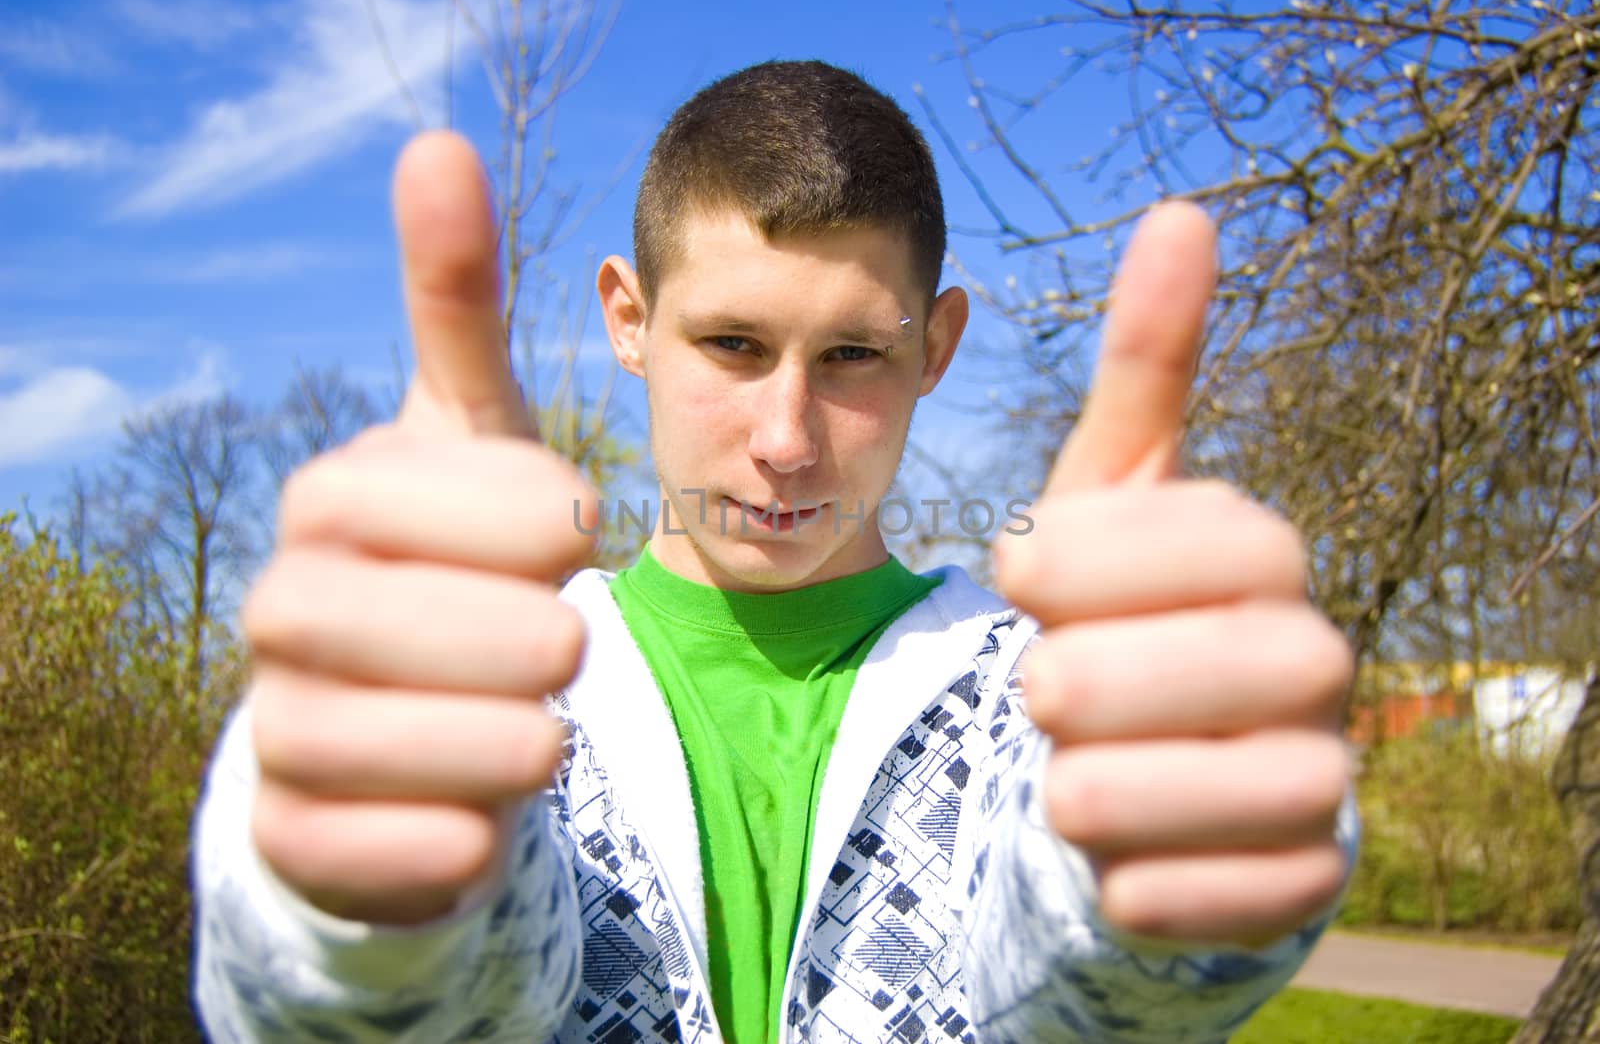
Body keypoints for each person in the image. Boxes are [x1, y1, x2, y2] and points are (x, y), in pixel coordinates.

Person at [192, 60, 1357, 1042]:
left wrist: (1151, 898)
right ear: (628, 319)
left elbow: (1057, 981)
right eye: (733, 343)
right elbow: (441, 1000)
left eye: (852, 354)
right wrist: (343, 925)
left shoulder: (1042, 694)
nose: (786, 440)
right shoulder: (495, 679)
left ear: (938, 343)